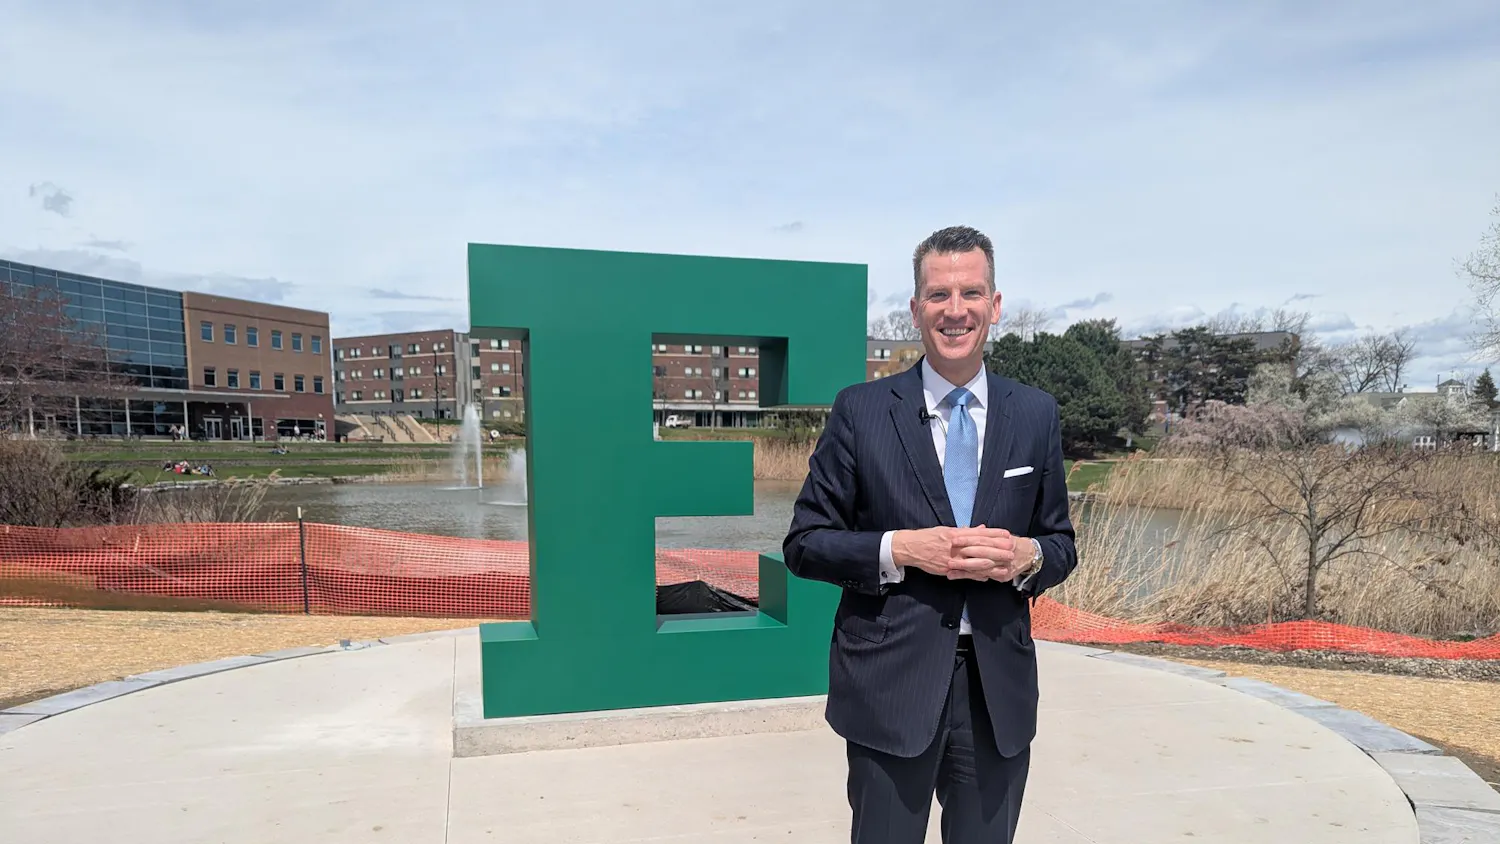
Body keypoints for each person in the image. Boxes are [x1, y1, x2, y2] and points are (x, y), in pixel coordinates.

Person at [783, 225, 1077, 844]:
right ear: (916, 309)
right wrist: (899, 548)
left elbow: (1059, 545)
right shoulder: (861, 411)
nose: (955, 310)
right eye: (938, 295)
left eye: (971, 292)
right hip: (891, 686)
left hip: (996, 690)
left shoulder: (1036, 413)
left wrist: (1025, 557)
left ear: (995, 305)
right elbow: (805, 542)